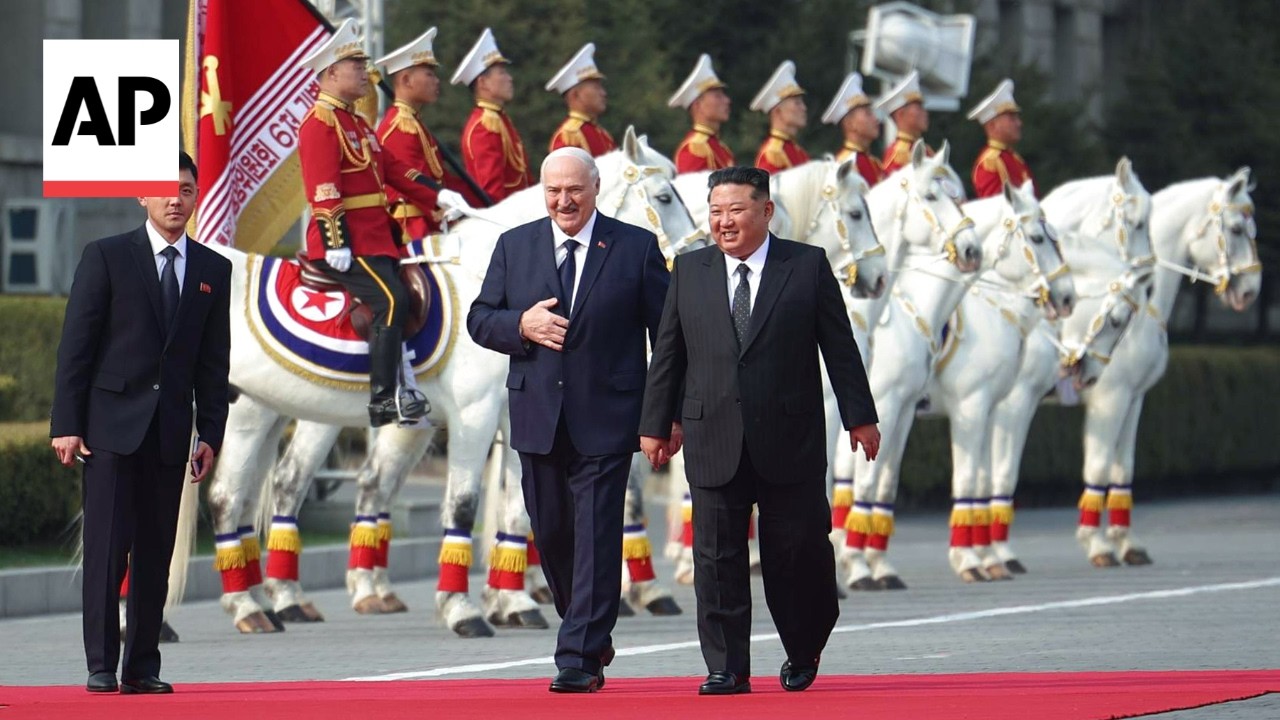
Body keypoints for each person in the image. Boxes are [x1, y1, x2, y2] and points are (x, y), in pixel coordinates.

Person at [638, 167, 880, 695]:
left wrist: (861, 416)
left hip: (789, 437)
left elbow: (839, 347)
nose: (724, 222)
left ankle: (804, 645)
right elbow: (669, 355)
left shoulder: (806, 266)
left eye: (736, 211)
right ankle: (726, 667)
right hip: (712, 435)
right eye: (716, 212)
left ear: (766, 211)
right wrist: (657, 423)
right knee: (717, 559)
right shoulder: (689, 269)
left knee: (798, 553)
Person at [467, 147, 670, 693]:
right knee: (553, 532)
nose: (564, 201)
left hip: (608, 418)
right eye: (554, 191)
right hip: (537, 418)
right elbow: (480, 319)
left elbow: (667, 337)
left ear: (595, 187)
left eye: (574, 190)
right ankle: (588, 624)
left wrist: (664, 413)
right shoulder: (516, 245)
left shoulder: (635, 247)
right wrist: (521, 325)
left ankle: (578, 655)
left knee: (598, 536)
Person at [50, 151, 230, 695]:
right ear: (142, 197)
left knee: (155, 553)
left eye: (187, 190)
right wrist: (67, 422)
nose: (176, 199)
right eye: (166, 190)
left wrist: (210, 434)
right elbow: (76, 349)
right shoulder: (106, 256)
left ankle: (143, 668)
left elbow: (212, 363)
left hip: (172, 434)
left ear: (196, 198)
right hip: (109, 430)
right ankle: (101, 665)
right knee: (107, 551)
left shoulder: (211, 269)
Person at [297, 19, 438, 427]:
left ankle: (409, 383)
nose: (365, 71)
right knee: (390, 300)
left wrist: (438, 195)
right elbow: (323, 189)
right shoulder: (320, 123)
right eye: (355, 65)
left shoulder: (356, 122)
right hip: (346, 243)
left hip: (376, 237)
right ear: (330, 75)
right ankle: (383, 399)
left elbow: (394, 170)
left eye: (362, 63)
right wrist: (334, 239)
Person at [375, 26, 471, 239]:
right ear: (406, 80)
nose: (436, 81)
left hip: (429, 221)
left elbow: (440, 178)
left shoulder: (414, 123)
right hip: (412, 227)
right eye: (429, 74)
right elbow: (413, 184)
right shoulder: (399, 128)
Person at [453, 28, 533, 203]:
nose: (509, 78)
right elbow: (491, 190)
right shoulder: (484, 126)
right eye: (502, 73)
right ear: (483, 83)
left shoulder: (499, 119)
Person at [968, 79, 1037, 198]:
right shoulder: (990, 162)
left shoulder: (1014, 158)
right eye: (1012, 118)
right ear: (992, 126)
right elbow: (995, 210)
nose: (1019, 123)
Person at [670, 54, 735, 174]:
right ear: (697, 105)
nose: (727, 101)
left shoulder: (722, 148)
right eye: (718, 96)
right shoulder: (693, 149)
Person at [546, 43, 615, 156]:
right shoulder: (569, 136)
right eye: (596, 87)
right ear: (575, 95)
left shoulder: (603, 134)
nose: (603, 93)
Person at [823, 72, 884, 187]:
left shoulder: (875, 163)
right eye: (868, 114)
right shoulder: (846, 163)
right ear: (850, 124)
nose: (876, 119)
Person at [750, 60, 810, 174]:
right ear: (778, 112)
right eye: (797, 103)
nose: (804, 108)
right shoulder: (773, 154)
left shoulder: (799, 152)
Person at [877, 70, 932, 176]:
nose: (925, 113)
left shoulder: (926, 150)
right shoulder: (899, 154)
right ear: (900, 114)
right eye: (918, 108)